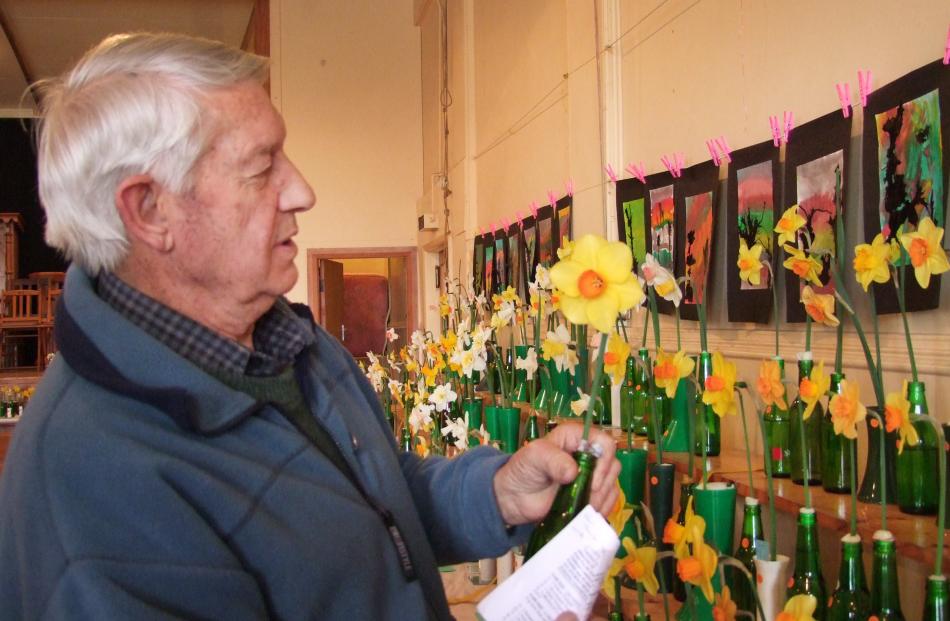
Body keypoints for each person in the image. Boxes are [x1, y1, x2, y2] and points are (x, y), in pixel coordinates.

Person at [0, 33, 620, 620]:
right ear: (151, 210)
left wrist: (494, 495)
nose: (302, 190)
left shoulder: (289, 341)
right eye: (261, 166)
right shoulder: (96, 491)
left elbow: (370, 502)